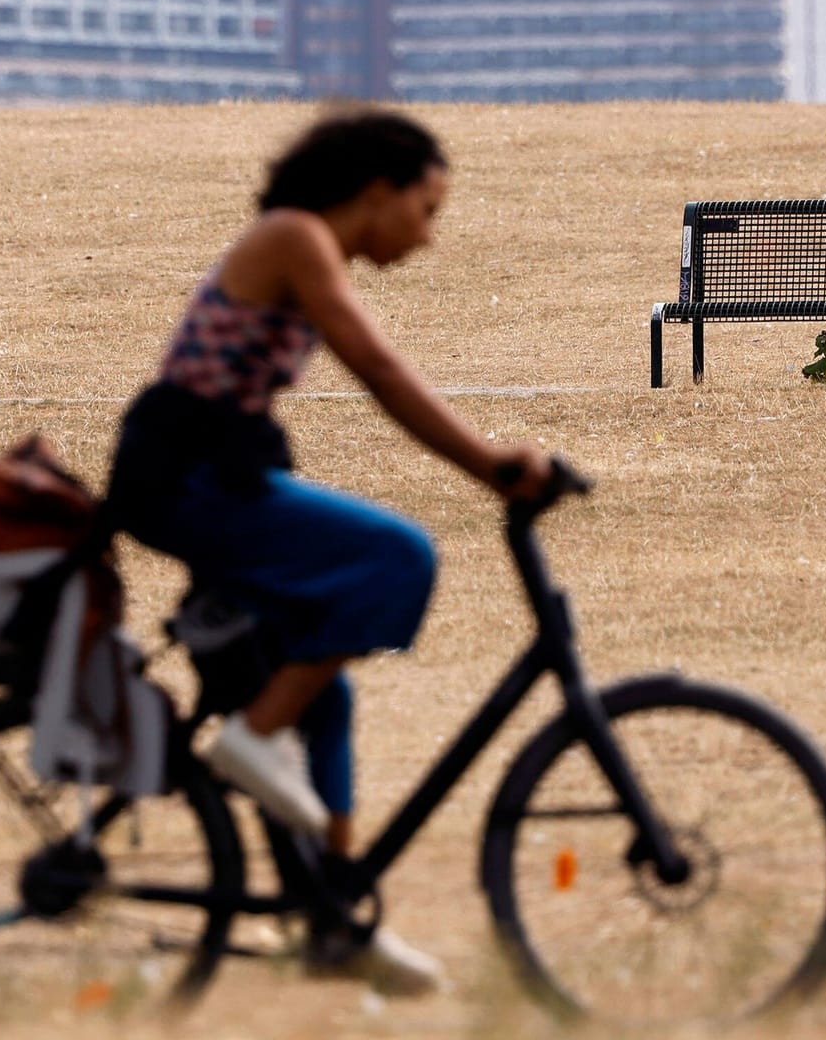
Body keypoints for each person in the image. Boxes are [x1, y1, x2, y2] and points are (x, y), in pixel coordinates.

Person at [105, 107, 551, 992]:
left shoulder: (304, 242)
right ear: (376, 192)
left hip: (211, 473)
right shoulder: (296, 236)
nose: (427, 239)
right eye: (427, 212)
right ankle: (253, 736)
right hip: (186, 476)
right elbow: (378, 368)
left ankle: (332, 920)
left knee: (326, 696)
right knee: (400, 557)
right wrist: (488, 464)